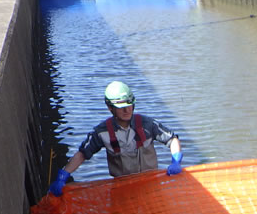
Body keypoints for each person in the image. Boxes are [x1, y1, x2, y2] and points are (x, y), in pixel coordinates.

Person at [49, 81, 183, 196]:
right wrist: (63, 176)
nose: (127, 111)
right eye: (121, 107)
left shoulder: (147, 124)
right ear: (110, 108)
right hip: (122, 190)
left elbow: (172, 139)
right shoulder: (101, 132)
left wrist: (176, 161)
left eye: (129, 105)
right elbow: (82, 154)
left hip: (151, 187)